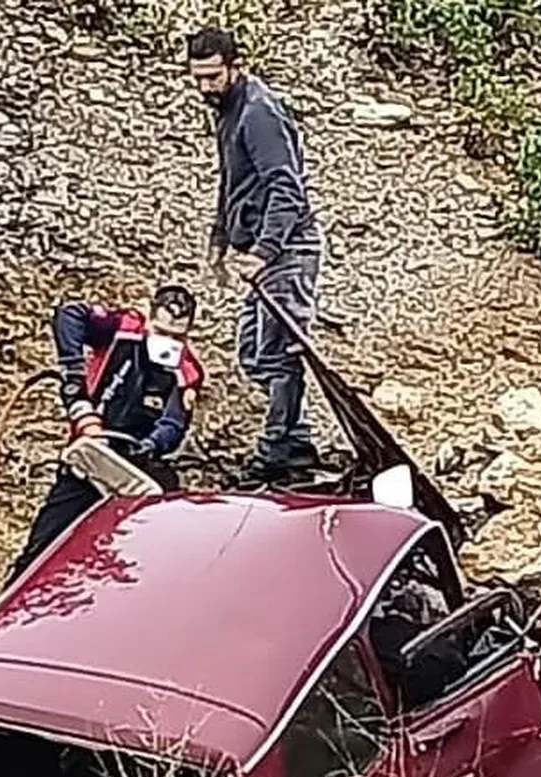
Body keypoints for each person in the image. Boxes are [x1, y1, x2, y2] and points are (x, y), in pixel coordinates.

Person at [188, 27, 324, 482]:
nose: (206, 87)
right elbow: (234, 180)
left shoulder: (258, 113)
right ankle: (295, 438)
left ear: (235, 65)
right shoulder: (227, 109)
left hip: (287, 248)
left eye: (213, 76)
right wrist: (220, 238)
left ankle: (278, 452)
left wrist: (264, 251)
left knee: (276, 353)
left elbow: (286, 186)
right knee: (252, 350)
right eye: (198, 78)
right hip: (259, 247)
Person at [8, 284, 206, 581]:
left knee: (139, 559)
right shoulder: (122, 329)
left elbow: (174, 424)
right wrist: (74, 381)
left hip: (135, 472)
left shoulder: (186, 369)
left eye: (176, 336)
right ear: (150, 318)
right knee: (42, 552)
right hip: (90, 458)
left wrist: (151, 445)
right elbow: (69, 315)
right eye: (161, 331)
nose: (166, 342)